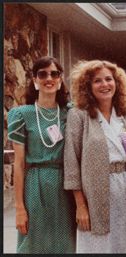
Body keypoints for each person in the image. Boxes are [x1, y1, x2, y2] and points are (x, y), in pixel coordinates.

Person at [63, 60, 126, 253]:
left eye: (109, 79)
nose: (104, 85)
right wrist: (80, 205)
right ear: (87, 86)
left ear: (117, 83)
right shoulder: (79, 115)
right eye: (97, 81)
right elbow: (71, 162)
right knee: (98, 243)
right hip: (95, 191)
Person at [7, 56, 76, 253]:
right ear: (35, 80)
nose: (49, 78)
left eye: (54, 74)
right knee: (34, 244)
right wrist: (19, 208)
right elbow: (19, 164)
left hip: (65, 186)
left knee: (64, 244)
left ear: (60, 79)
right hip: (35, 185)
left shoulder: (69, 112)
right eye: (42, 74)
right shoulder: (21, 114)